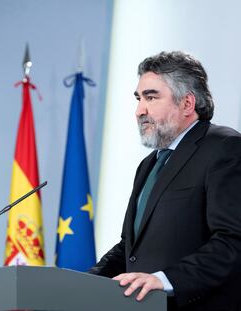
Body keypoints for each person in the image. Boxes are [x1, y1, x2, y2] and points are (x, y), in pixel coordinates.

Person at [90, 51, 241, 311]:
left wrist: (165, 280)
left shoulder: (225, 147)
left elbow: (233, 241)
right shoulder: (149, 164)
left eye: (151, 97)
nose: (140, 111)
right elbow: (129, 248)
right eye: (138, 99)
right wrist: (81, 282)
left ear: (187, 104)